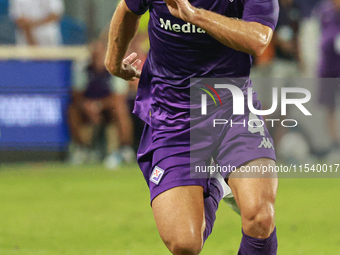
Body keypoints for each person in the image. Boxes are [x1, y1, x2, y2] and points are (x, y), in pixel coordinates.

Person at [105, 0, 279, 254]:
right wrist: (113, 61)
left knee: (260, 217)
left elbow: (259, 39)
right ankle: (216, 181)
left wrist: (195, 15)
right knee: (184, 244)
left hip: (232, 109)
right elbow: (127, 9)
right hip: (172, 116)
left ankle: (217, 172)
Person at [69, 40, 135, 168]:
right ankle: (82, 149)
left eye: (101, 54)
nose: (98, 57)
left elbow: (119, 97)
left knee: (120, 109)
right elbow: (77, 95)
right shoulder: (81, 68)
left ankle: (124, 148)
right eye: (95, 54)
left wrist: (97, 106)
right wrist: (88, 107)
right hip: (88, 107)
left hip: (108, 108)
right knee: (72, 110)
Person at [317, 0, 340, 159]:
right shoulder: (324, 11)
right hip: (328, 68)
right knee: (329, 108)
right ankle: (335, 146)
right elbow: (324, 38)